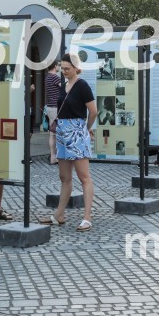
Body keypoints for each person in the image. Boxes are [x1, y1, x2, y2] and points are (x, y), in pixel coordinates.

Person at [41, 54, 97, 232]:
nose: (63, 71)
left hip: (76, 131)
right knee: (64, 177)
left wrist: (86, 128)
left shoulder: (82, 85)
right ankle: (59, 215)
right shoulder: (63, 85)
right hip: (62, 132)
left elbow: (93, 111)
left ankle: (87, 218)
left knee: (84, 177)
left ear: (76, 68)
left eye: (67, 68)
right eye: (62, 68)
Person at [44, 61, 61, 165]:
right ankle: (58, 156)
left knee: (52, 133)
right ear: (55, 66)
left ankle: (53, 157)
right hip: (56, 108)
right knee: (59, 133)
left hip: (50, 107)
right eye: (59, 65)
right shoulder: (55, 77)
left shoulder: (47, 77)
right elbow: (66, 88)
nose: (59, 67)